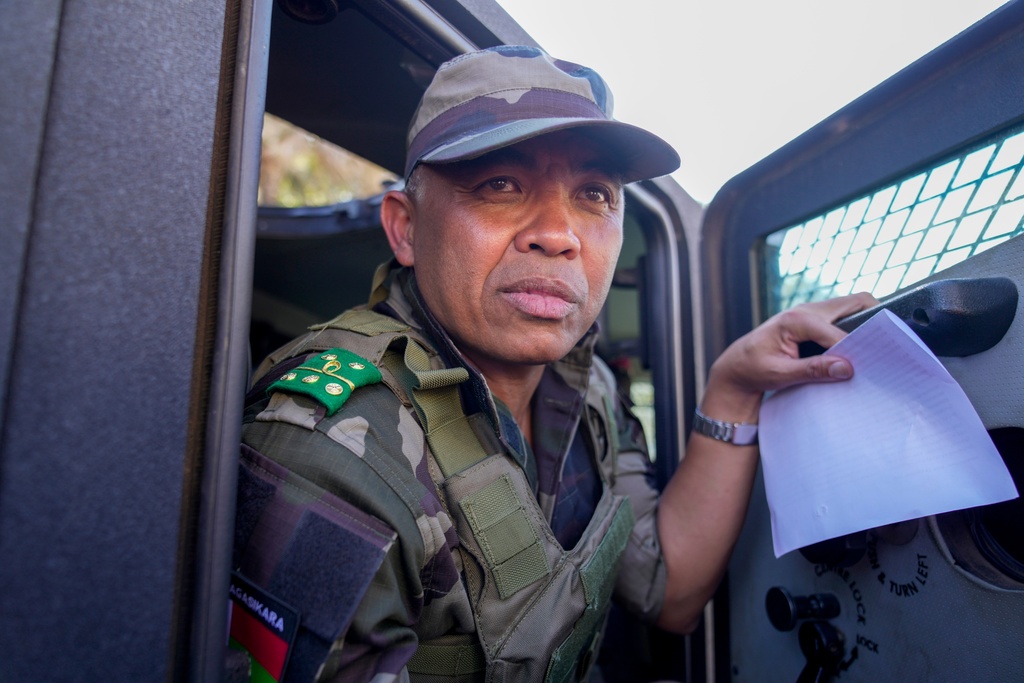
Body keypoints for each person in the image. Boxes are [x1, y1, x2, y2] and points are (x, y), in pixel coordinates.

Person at [231, 45, 875, 682]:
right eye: (500, 184)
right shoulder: (332, 445)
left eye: (593, 193)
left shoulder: (584, 385)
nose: (559, 232)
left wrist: (731, 390)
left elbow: (669, 591)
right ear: (405, 229)